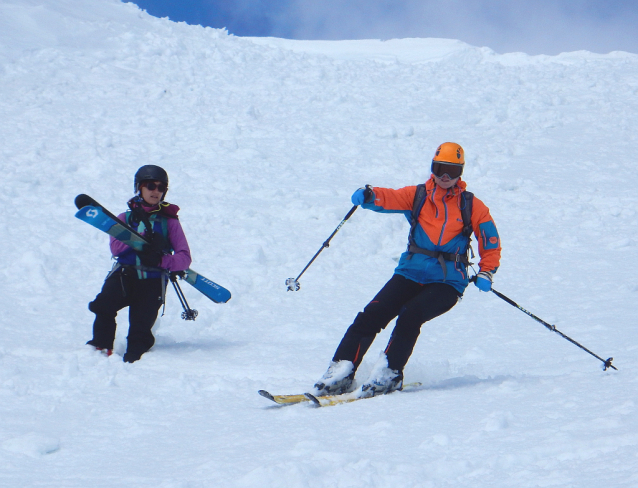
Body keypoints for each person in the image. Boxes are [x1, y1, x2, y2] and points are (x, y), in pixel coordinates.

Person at [311, 142, 501, 398]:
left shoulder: (471, 206)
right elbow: (390, 197)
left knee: (411, 315)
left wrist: (487, 271)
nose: (445, 177)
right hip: (410, 273)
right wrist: (369, 195)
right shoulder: (418, 196)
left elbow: (490, 240)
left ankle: (389, 373)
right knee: (372, 314)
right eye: (440, 169)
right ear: (432, 168)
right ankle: (340, 372)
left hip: (447, 283)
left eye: (452, 171)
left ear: (461, 174)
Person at [86, 165, 192, 363]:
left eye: (161, 188)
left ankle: (135, 364)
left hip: (152, 281)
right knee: (103, 306)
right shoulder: (124, 219)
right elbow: (116, 249)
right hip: (124, 276)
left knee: (140, 333)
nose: (156, 191)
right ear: (140, 188)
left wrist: (161, 260)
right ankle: (100, 349)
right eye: (151, 186)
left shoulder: (170, 222)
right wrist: (140, 240)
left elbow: (184, 258)